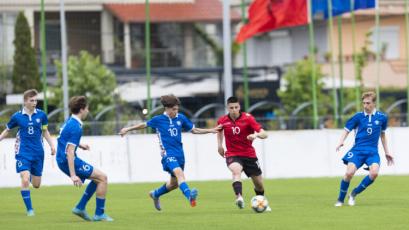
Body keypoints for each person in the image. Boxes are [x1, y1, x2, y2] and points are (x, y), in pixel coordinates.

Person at [119, 94, 220, 211]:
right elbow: (144, 125)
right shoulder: (158, 120)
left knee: (174, 184)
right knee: (179, 173)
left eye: (177, 109)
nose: (176, 111)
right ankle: (190, 197)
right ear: (166, 108)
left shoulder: (180, 118)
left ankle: (155, 194)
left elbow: (194, 130)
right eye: (174, 109)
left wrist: (211, 130)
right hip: (168, 154)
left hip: (180, 154)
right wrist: (127, 129)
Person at [56, 96, 113, 221]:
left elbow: (63, 139)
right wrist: (73, 175)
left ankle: (81, 207)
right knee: (103, 178)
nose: (88, 111)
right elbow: (70, 152)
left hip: (61, 159)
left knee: (97, 178)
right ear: (81, 109)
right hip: (67, 160)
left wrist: (79, 145)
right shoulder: (76, 127)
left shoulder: (69, 121)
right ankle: (99, 214)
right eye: (87, 108)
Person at [0, 89, 55, 216]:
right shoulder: (17, 116)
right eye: (32, 100)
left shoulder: (42, 115)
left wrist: (52, 145)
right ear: (25, 101)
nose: (35, 102)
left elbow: (45, 131)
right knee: (25, 180)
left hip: (38, 153)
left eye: (36, 100)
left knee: (36, 184)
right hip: (23, 152)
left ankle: (28, 173)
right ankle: (30, 209)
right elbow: (7, 130)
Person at [334, 91, 394, 207]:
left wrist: (387, 152)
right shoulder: (358, 117)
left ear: (374, 103)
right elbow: (347, 130)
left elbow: (382, 135)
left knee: (374, 173)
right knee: (349, 173)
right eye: (364, 103)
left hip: (372, 151)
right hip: (358, 150)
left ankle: (353, 193)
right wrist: (341, 141)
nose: (365, 105)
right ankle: (340, 200)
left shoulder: (382, 118)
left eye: (368, 103)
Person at [216, 96, 270, 211]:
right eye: (231, 108)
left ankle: (261, 200)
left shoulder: (248, 118)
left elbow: (265, 134)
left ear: (239, 107)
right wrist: (220, 145)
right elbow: (219, 131)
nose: (234, 110)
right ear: (227, 108)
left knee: (259, 184)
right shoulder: (222, 120)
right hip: (232, 154)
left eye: (236, 107)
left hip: (249, 155)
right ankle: (239, 197)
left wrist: (255, 135)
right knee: (236, 171)